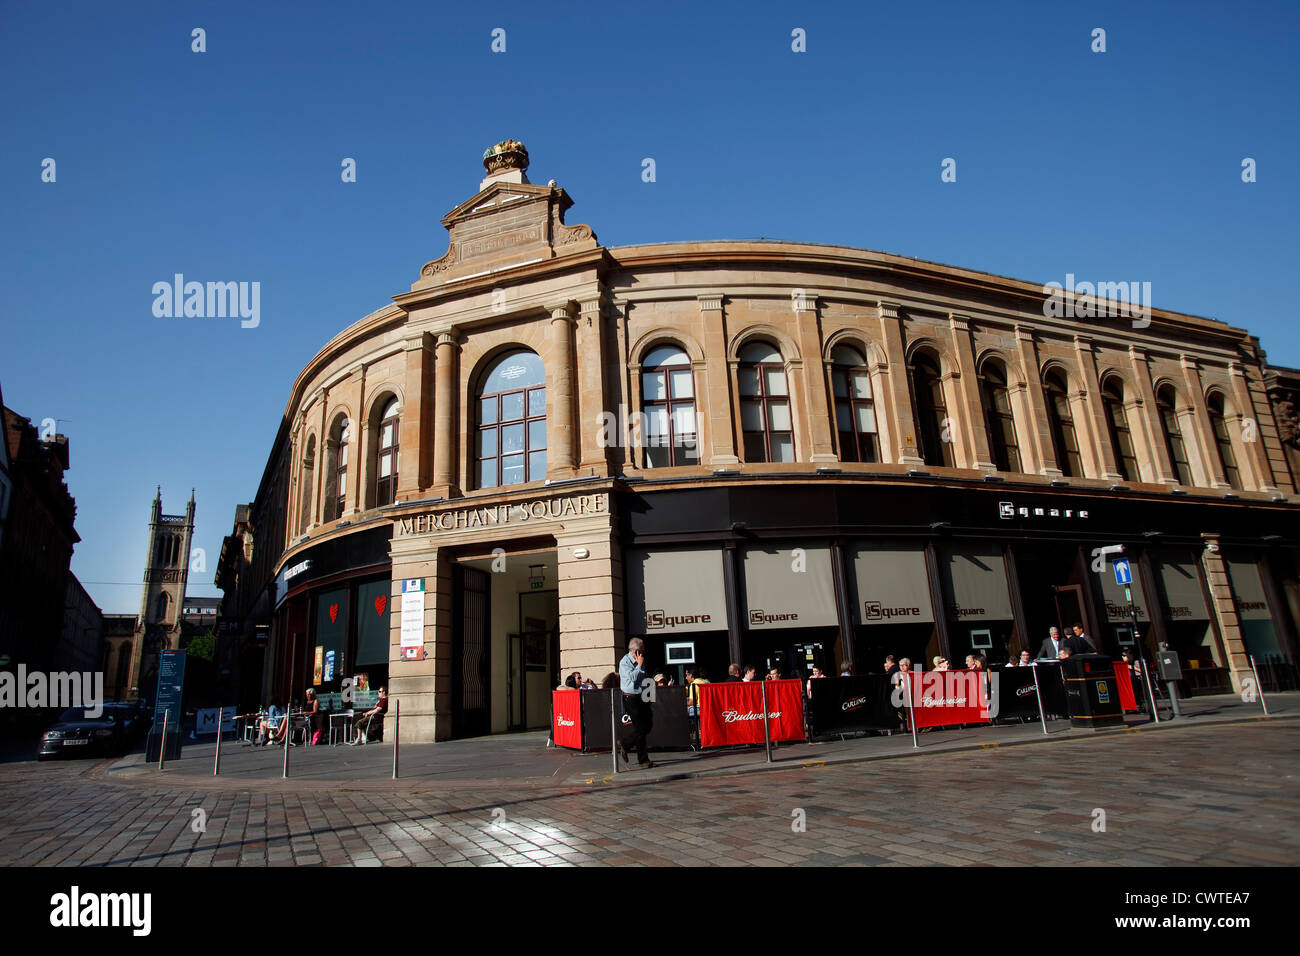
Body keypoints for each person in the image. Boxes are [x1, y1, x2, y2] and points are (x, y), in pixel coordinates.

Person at [617, 637, 654, 769]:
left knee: (647, 725)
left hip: (642, 694)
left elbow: (643, 677)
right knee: (640, 728)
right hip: (631, 697)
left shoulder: (641, 660)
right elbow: (632, 677)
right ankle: (643, 759)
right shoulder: (625, 662)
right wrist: (639, 665)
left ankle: (625, 744)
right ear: (636, 651)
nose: (644, 651)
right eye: (642, 649)